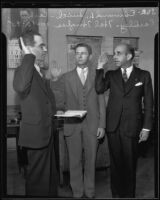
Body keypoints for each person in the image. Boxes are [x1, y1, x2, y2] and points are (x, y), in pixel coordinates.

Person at [95, 43, 154, 198]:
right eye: (114, 53)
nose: (115, 56)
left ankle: (128, 196)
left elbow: (149, 104)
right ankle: (116, 196)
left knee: (129, 166)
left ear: (129, 56)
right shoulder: (111, 75)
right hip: (113, 127)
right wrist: (100, 67)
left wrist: (147, 128)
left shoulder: (144, 75)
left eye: (118, 53)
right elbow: (99, 88)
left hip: (132, 127)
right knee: (115, 166)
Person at [51, 43, 106, 198]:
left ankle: (90, 191)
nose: (80, 55)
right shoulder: (65, 77)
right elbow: (58, 101)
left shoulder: (98, 76)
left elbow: (102, 102)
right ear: (74, 56)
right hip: (72, 126)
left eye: (83, 53)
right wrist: (55, 79)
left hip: (92, 125)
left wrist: (102, 125)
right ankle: (77, 191)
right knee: (74, 161)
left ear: (89, 56)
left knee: (91, 160)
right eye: (77, 53)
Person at [13, 31, 58, 196]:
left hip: (47, 134)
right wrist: (27, 55)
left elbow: (50, 104)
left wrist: (53, 80)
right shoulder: (23, 70)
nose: (45, 49)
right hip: (36, 137)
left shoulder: (39, 72)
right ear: (29, 48)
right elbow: (20, 87)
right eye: (41, 46)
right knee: (38, 182)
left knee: (50, 179)